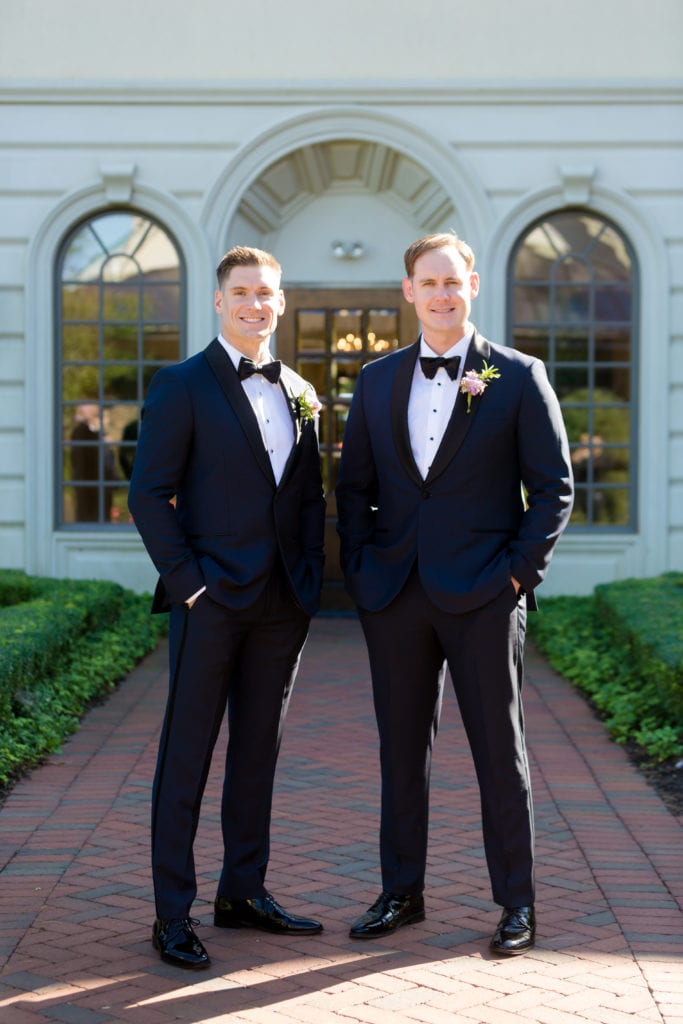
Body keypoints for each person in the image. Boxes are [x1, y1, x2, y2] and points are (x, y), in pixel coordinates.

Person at [336, 231, 573, 956]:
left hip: (484, 595)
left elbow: (553, 488)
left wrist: (515, 575)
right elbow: (353, 489)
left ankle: (515, 904)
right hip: (396, 594)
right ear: (407, 290)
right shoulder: (375, 380)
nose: (441, 293)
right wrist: (364, 570)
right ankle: (400, 893)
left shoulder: (518, 375)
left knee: (500, 753)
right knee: (400, 753)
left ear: (473, 284)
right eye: (427, 282)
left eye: (452, 280)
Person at [128, 246, 326, 970]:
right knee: (187, 757)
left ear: (281, 302)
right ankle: (172, 913)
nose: (254, 305)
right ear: (219, 302)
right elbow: (147, 494)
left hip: (281, 605)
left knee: (256, 756)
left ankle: (242, 891)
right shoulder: (181, 384)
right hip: (209, 600)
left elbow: (305, 497)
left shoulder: (298, 388)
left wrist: (307, 582)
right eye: (241, 293)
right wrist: (189, 585)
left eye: (266, 293)